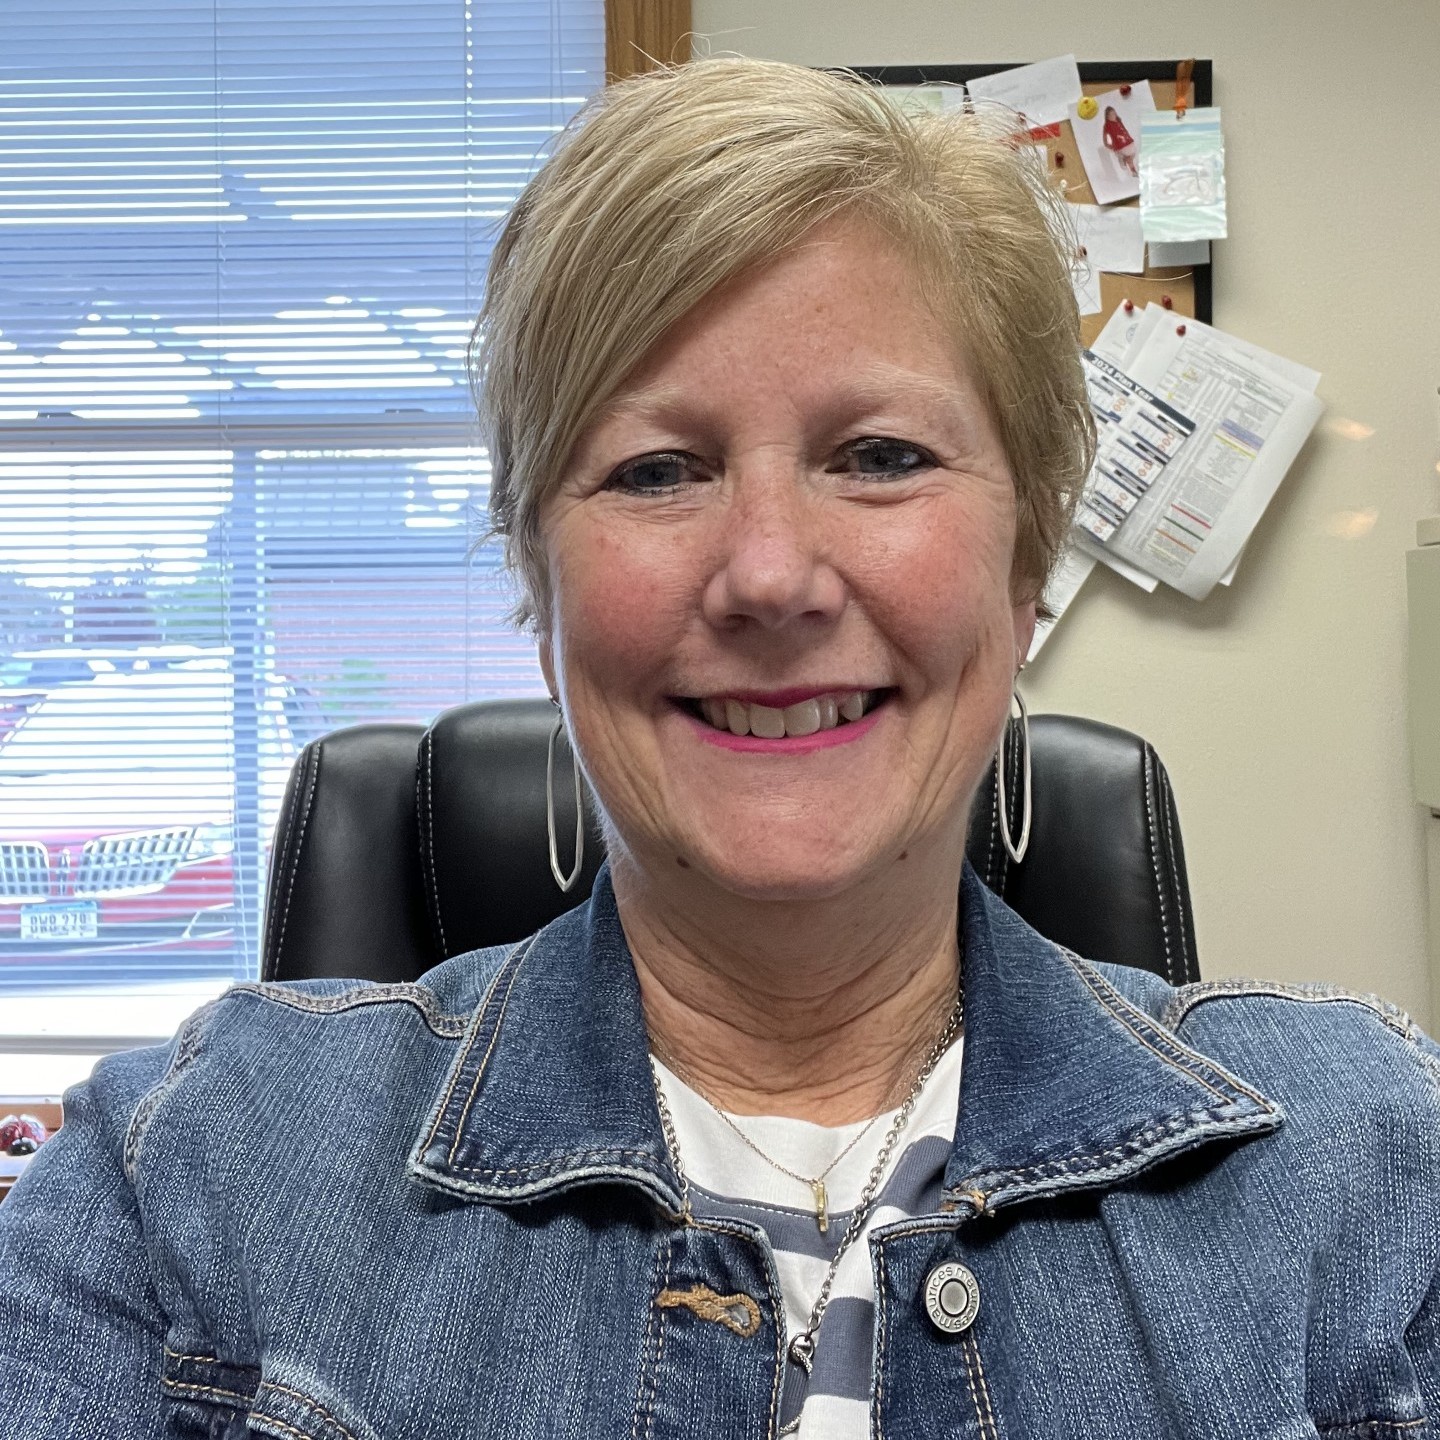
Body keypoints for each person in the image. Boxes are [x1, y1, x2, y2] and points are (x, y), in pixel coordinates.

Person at [2, 56, 1438, 1440]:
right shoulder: (188, 1172)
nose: (769, 575)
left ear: (1026, 560)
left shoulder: (1376, 1172)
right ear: (537, 573)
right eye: (656, 469)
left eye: (879, 456)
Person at [1102, 103, 1139, 176]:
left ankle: (1124, 160)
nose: (1113, 115)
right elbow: (1105, 136)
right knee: (1129, 157)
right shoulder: (1107, 125)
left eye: (1114, 113)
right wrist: (1108, 145)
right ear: (1107, 116)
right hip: (1120, 145)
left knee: (1133, 154)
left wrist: (1129, 137)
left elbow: (1124, 130)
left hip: (1128, 141)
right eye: (1111, 114)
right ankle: (1133, 171)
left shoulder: (1118, 120)